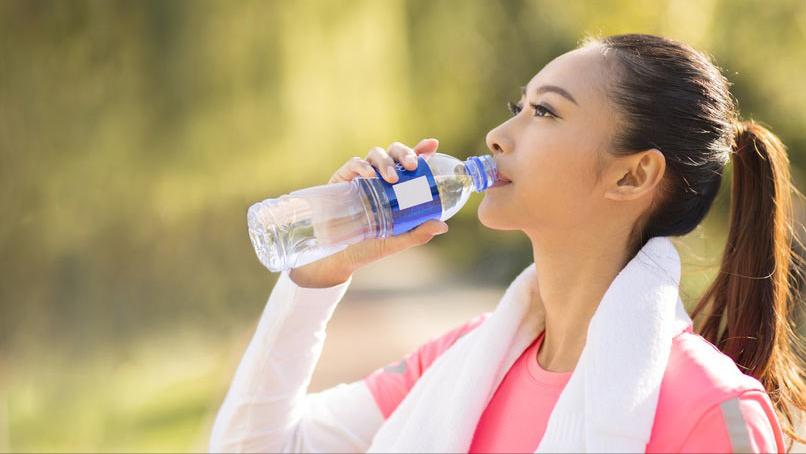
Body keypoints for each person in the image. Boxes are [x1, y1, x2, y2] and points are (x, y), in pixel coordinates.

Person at [209, 33, 805, 453]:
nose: (497, 136)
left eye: (544, 113)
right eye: (516, 107)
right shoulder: (465, 362)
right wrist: (320, 272)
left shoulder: (708, 410)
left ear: (632, 175)